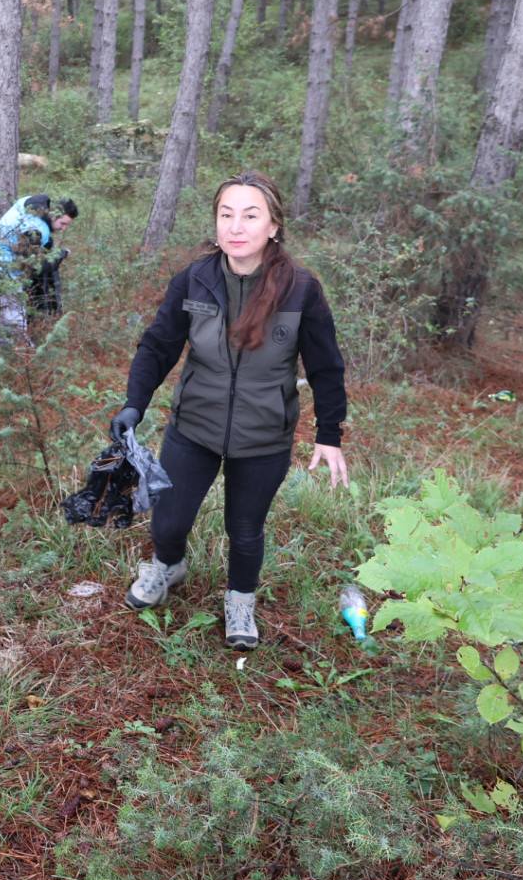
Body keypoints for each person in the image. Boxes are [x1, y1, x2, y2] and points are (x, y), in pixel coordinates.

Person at [110, 171, 348, 650]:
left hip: (264, 437)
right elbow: (158, 346)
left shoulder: (301, 289)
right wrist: (135, 403)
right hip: (194, 426)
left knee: (244, 529)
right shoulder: (195, 279)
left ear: (274, 226)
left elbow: (325, 365)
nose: (235, 226)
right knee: (168, 521)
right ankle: (167, 565)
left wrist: (329, 434)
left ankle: (240, 599)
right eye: (226, 214)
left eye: (250, 215)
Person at [0, 193, 78, 337]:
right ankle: (14, 350)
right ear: (53, 215)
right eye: (62, 223)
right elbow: (36, 267)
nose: (63, 228)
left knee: (1, 315)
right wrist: (60, 255)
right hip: (4, 271)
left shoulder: (31, 202)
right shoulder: (35, 230)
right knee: (14, 323)